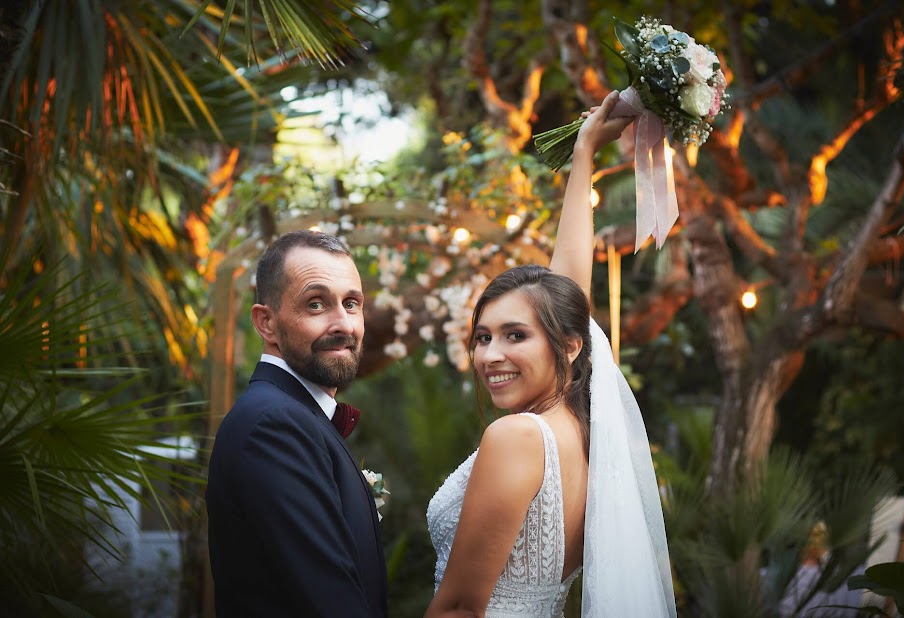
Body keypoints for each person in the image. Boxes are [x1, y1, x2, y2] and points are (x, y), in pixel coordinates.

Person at [425, 91, 677, 617]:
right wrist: (583, 153)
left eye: (515, 335)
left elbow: (458, 610)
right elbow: (566, 295)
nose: (492, 354)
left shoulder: (518, 436)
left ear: (567, 345)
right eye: (483, 337)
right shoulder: (583, 432)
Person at [206, 231, 387, 617]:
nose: (343, 324)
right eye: (316, 304)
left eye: (351, 304)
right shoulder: (273, 426)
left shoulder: (293, 414)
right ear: (266, 323)